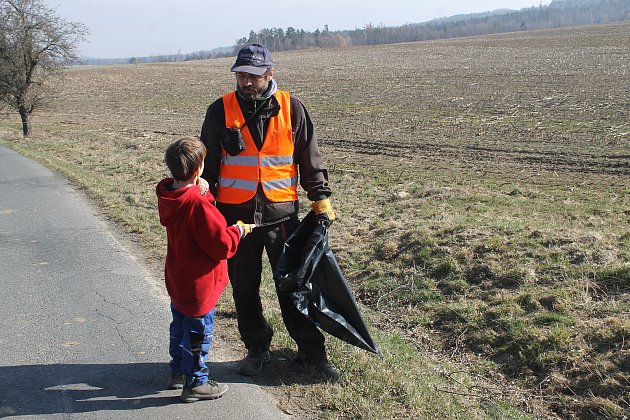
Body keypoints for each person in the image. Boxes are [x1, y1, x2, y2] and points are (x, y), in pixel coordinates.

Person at [199, 44, 339, 382]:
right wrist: (202, 199)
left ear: (270, 74)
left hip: (282, 217)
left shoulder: (293, 108)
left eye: (253, 76)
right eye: (241, 75)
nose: (245, 82)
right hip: (236, 220)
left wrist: (319, 197)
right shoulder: (219, 111)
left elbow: (309, 157)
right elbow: (208, 167)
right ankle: (257, 348)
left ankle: (312, 353)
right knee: (244, 288)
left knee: (292, 287)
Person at [156, 136, 255, 402]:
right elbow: (220, 245)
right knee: (199, 332)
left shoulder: (171, 195)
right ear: (199, 169)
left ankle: (177, 372)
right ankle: (196, 382)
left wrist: (202, 188)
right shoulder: (199, 205)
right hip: (200, 283)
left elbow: (191, 201)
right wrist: (238, 231)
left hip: (178, 278)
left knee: (179, 326)